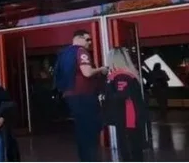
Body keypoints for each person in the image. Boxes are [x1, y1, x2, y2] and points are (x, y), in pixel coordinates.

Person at [54, 29, 108, 162]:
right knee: (91, 129)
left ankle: (84, 158)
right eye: (87, 39)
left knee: (81, 130)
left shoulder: (63, 53)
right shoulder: (81, 51)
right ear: (78, 39)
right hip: (84, 96)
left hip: (69, 95)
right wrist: (101, 69)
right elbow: (87, 72)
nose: (90, 42)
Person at [103, 48, 147, 162]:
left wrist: (104, 97)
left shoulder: (120, 76)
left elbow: (122, 95)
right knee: (133, 148)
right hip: (127, 118)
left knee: (129, 149)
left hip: (127, 119)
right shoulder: (128, 75)